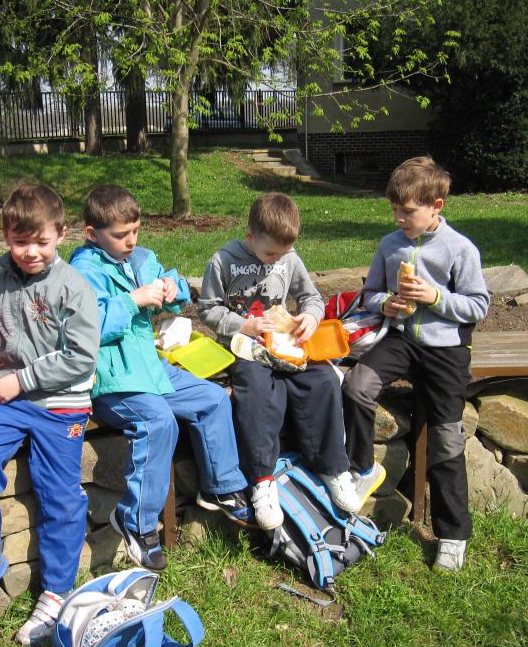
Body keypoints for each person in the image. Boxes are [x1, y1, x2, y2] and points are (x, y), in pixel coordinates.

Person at [69, 184, 253, 571]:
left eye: (136, 231)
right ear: (92, 234)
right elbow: (88, 328)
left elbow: (176, 289)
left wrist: (173, 289)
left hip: (149, 368)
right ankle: (136, 522)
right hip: (112, 378)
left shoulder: (140, 257)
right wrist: (132, 300)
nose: (131, 241)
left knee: (212, 399)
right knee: (157, 422)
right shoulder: (83, 271)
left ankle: (221, 487)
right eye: (121, 235)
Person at [0, 183, 100, 647]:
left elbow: (82, 357)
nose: (31, 251)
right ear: (6, 237)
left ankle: (57, 592)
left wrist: (23, 380)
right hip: (10, 401)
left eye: (41, 241)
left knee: (60, 495)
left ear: (61, 234)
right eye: (20, 242)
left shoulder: (74, 287)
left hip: (60, 404)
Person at [337, 156, 490, 571]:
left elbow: (478, 306)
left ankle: (452, 534)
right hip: (402, 340)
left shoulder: (460, 249)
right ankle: (361, 469)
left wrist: (435, 297)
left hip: (446, 351)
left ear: (436, 206)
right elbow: (368, 294)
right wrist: (386, 303)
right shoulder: (390, 245)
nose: (399, 218)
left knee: (445, 437)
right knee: (356, 385)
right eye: (395, 210)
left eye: (407, 211)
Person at [198, 192, 350, 530]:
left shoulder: (288, 257)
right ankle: (262, 480)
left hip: (284, 347)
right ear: (250, 236)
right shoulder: (223, 261)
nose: (275, 261)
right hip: (244, 347)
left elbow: (312, 297)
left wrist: (311, 317)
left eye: (282, 255)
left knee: (324, 381)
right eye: (270, 254)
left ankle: (332, 468)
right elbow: (207, 310)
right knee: (257, 390)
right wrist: (244, 325)